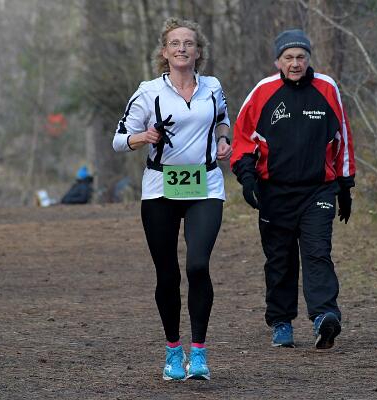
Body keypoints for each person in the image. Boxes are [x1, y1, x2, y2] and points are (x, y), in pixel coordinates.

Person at [112, 18, 231, 381]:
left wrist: (223, 139)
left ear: (198, 51)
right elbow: (119, 140)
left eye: (189, 43)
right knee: (167, 274)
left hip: (205, 186)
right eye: (175, 43)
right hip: (160, 189)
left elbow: (223, 119)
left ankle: (199, 354)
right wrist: (143, 137)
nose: (182, 48)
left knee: (197, 266)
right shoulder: (148, 92)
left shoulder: (212, 87)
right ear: (164, 52)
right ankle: (173, 351)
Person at [231, 29, 355, 350]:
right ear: (278, 62)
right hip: (274, 192)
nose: (295, 63)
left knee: (318, 253)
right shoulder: (263, 91)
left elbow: (342, 137)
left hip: (318, 190)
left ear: (309, 59)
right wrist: (247, 179)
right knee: (280, 259)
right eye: (288, 58)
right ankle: (281, 321)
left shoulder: (326, 88)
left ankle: (324, 316)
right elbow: (242, 140)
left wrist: (345, 185)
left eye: (301, 57)